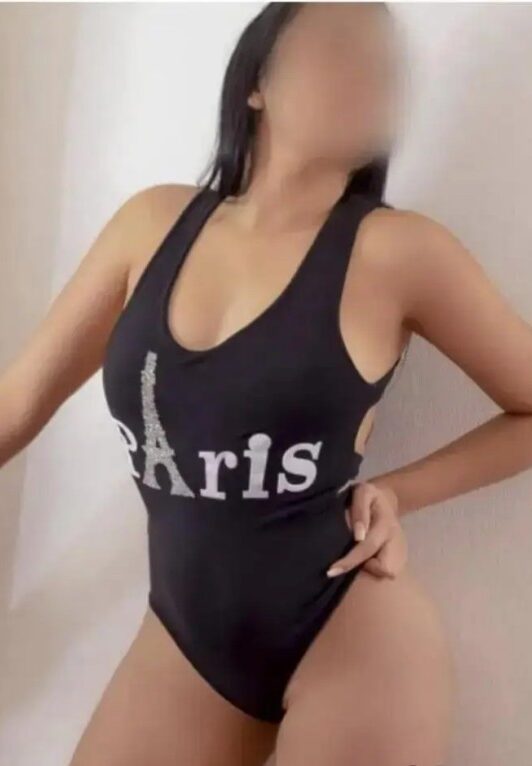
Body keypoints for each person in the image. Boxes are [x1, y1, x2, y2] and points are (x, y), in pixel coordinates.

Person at [3, 3, 532, 765]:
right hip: (183, 639)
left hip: (349, 633)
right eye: (336, 49)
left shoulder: (400, 251)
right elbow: (18, 403)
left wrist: (399, 491)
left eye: (385, 68)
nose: (365, 77)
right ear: (256, 80)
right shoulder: (150, 225)